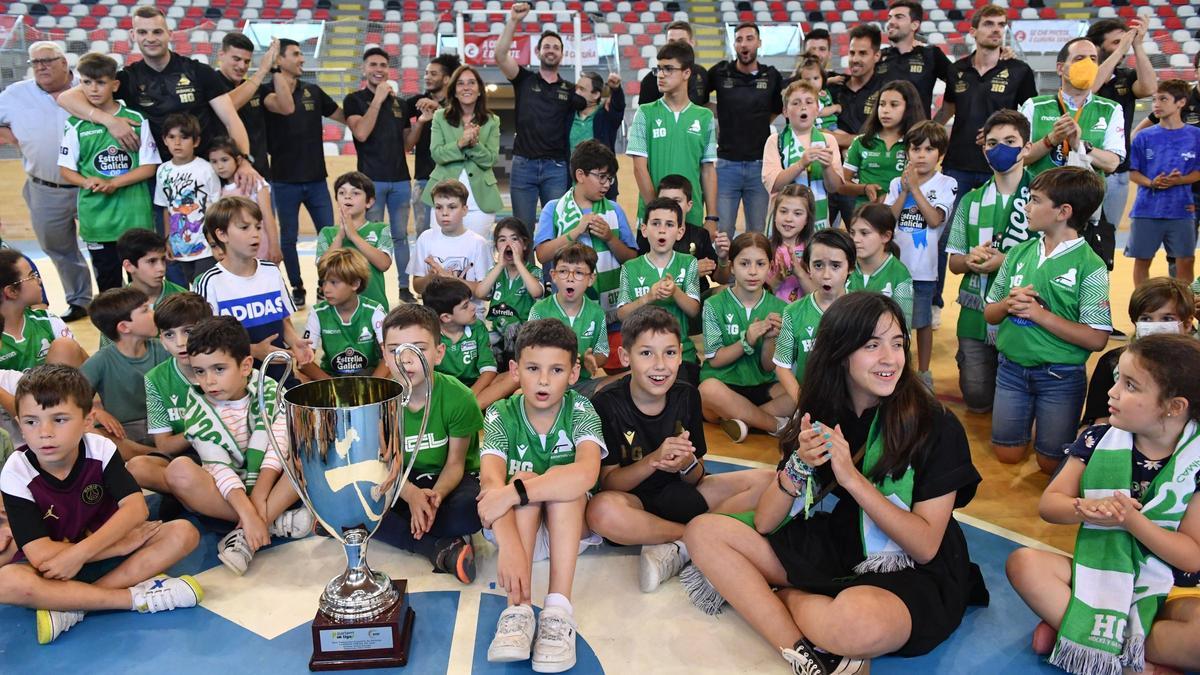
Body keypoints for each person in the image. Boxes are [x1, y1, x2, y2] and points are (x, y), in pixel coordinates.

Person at [683, 292, 983, 674]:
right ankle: (805, 654)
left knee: (855, 626)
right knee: (703, 532)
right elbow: (765, 523)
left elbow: (924, 546)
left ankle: (784, 596)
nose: (890, 359)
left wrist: (852, 479)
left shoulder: (934, 424)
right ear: (841, 352)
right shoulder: (820, 410)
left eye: (897, 344)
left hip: (911, 566)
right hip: (841, 539)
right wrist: (799, 464)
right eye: (872, 345)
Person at [1006, 334, 1200, 675]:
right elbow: (1050, 505)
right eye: (1116, 380)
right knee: (1024, 564)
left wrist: (1130, 520)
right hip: (1101, 569)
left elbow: (1190, 555)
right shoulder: (1096, 438)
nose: (1112, 393)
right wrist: (1083, 507)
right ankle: (1136, 661)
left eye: (1130, 385)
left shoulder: (1195, 461)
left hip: (1173, 585)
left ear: (1174, 406)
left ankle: (1079, 633)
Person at [0, 364, 202, 645]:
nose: (44, 432)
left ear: (86, 421)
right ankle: (131, 598)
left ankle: (73, 607)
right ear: (19, 423)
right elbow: (40, 555)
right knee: (6, 582)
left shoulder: (100, 448)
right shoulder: (16, 470)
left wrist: (83, 553)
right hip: (58, 567)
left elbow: (136, 508)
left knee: (183, 533)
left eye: (59, 420)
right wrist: (108, 548)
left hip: (97, 554)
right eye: (31, 422)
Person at [586, 307, 772, 593]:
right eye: (646, 353)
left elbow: (696, 478)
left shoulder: (686, 395)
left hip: (683, 495)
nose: (660, 365)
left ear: (680, 355)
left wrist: (685, 464)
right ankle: (693, 539)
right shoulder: (607, 403)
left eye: (670, 353)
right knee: (601, 512)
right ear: (626, 357)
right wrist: (653, 461)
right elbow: (609, 483)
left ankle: (678, 548)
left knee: (769, 483)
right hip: (634, 504)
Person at [477, 319, 606, 671]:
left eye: (557, 369)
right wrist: (512, 548)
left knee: (558, 484)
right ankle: (518, 607)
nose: (545, 380)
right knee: (522, 478)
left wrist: (517, 490)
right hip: (517, 534)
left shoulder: (581, 410)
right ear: (515, 370)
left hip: (568, 531)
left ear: (574, 372)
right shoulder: (501, 413)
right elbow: (490, 486)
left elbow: (586, 474)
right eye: (533, 369)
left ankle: (558, 610)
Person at [984, 167, 1111, 473]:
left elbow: (1096, 338)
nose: (1026, 207)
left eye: (1035, 200)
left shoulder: (1090, 265)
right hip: (1011, 370)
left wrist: (1039, 315)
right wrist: (1008, 304)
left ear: (1063, 212)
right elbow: (990, 312)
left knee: (1049, 463)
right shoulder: (1017, 253)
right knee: (1007, 455)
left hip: (1061, 377)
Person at [163, 316, 311, 576]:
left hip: (271, 482)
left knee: (309, 447)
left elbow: (278, 449)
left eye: (219, 369)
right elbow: (218, 468)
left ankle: (243, 534)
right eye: (200, 371)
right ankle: (272, 522)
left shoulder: (267, 387)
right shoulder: (197, 404)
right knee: (179, 470)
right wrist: (249, 512)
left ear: (245, 366)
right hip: (227, 494)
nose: (208, 381)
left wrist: (258, 498)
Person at [58, 6, 257, 189]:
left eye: (157, 31)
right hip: (158, 179)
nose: (150, 38)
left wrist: (245, 161)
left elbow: (231, 120)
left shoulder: (199, 72)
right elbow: (66, 98)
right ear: (133, 35)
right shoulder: (127, 78)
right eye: (143, 32)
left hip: (206, 173)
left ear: (169, 34)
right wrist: (110, 121)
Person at [936, 5, 1039, 329]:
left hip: (1003, 166)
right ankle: (939, 303)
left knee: (1009, 234)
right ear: (974, 31)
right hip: (958, 164)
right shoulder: (957, 70)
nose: (997, 30)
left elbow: (1028, 118)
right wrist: (930, 132)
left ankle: (1009, 298)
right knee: (948, 240)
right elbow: (948, 109)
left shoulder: (1019, 70)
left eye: (1002, 25)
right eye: (990, 24)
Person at [374, 304, 483, 583]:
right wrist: (410, 494)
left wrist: (434, 498)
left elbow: (456, 463)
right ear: (384, 355)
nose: (407, 359)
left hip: (449, 480)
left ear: (439, 353)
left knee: (470, 513)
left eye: (419, 349)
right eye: (395, 349)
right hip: (401, 480)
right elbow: (382, 465)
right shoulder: (378, 403)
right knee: (357, 501)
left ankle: (420, 529)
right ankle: (436, 547)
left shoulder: (460, 397)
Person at [946, 109, 1036, 414]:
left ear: (1026, 147)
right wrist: (970, 260)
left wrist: (1005, 262)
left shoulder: (1042, 196)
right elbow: (954, 262)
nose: (1000, 149)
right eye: (993, 143)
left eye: (1010, 141)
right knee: (977, 397)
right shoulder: (970, 200)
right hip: (975, 312)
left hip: (1025, 312)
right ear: (984, 150)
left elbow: (1053, 255)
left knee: (1014, 400)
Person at [0, 41, 92, 322]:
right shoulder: (15, 94)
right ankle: (80, 301)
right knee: (60, 249)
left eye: (48, 60)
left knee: (107, 245)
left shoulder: (87, 88)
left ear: (65, 62)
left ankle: (117, 297)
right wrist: (8, 135)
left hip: (91, 186)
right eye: (35, 62)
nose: (41, 67)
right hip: (44, 187)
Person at [57, 52, 160, 293]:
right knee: (109, 290)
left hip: (135, 220)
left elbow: (149, 166)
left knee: (144, 287)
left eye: (101, 82)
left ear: (115, 85)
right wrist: (86, 181)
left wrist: (114, 182)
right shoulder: (75, 125)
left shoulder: (136, 119)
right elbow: (65, 170)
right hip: (97, 223)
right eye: (87, 82)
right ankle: (112, 332)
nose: (93, 89)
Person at [1021, 37, 1125, 271]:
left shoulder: (1110, 110)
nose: (1087, 63)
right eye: (1079, 58)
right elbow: (1021, 158)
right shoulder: (1034, 106)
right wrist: (1051, 140)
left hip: (1086, 216)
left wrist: (1081, 145)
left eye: (1093, 59)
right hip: (1039, 214)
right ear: (1061, 68)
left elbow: (1112, 163)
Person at [262, 38, 347, 309]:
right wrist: (275, 72)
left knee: (329, 235)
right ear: (279, 60)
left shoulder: (313, 90)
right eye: (296, 54)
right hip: (284, 180)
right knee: (288, 237)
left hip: (316, 180)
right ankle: (297, 287)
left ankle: (326, 284)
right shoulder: (266, 92)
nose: (302, 59)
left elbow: (345, 117)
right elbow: (284, 105)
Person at [192, 196, 314, 375]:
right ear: (222, 235)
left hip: (280, 375)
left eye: (258, 227)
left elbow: (283, 319)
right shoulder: (210, 282)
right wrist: (254, 351)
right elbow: (207, 341)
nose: (255, 233)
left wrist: (295, 342)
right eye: (244, 227)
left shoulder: (271, 271)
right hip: (239, 383)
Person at [495, 2, 587, 230]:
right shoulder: (524, 79)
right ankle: (525, 267)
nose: (551, 50)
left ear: (562, 54)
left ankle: (553, 269)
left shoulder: (570, 88)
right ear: (537, 52)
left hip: (555, 169)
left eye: (556, 47)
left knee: (555, 229)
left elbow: (589, 105)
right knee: (522, 230)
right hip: (523, 165)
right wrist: (514, 20)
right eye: (546, 46)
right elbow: (500, 55)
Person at [699, 233, 791, 443]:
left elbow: (769, 367)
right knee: (707, 390)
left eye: (760, 264)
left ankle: (742, 420)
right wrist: (746, 341)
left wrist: (769, 339)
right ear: (731, 267)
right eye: (744, 263)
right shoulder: (715, 304)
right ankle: (776, 424)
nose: (752, 271)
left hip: (760, 385)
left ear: (770, 266)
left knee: (798, 394)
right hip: (724, 385)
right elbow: (715, 359)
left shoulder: (781, 308)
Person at [885, 121, 956, 390]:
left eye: (929, 149)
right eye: (916, 149)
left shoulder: (947, 183)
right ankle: (896, 369)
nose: (922, 155)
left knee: (922, 322)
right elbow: (887, 220)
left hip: (924, 268)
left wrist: (915, 188)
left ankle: (924, 372)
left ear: (941, 154)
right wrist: (904, 190)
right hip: (894, 267)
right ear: (907, 153)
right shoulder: (896, 183)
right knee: (895, 323)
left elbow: (935, 219)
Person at [535, 140, 638, 323]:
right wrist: (574, 232)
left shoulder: (614, 210)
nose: (607, 184)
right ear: (580, 175)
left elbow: (632, 260)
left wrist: (610, 238)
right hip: (567, 314)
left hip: (612, 311)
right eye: (601, 177)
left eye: (610, 178)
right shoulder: (554, 209)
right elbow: (542, 255)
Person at [345, 47, 416, 300]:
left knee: (400, 236)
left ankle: (404, 287)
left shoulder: (400, 104)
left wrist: (424, 122)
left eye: (383, 65)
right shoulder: (354, 100)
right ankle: (368, 287)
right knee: (370, 235)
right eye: (373, 64)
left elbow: (408, 145)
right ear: (364, 69)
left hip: (399, 180)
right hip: (369, 182)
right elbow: (361, 133)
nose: (379, 69)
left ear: (389, 70)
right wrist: (377, 100)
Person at [628, 42, 718, 235]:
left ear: (686, 73)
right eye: (658, 69)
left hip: (690, 218)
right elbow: (639, 168)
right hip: (651, 219)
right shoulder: (644, 113)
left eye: (668, 69)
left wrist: (711, 217)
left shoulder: (705, 117)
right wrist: (658, 214)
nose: (660, 75)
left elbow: (708, 170)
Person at [127, 292, 213, 494]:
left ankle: (198, 500)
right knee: (136, 467)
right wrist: (202, 427)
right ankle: (203, 497)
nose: (180, 342)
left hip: (236, 451)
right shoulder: (156, 378)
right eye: (169, 335)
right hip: (189, 458)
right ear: (162, 340)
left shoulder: (226, 364)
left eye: (189, 331)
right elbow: (164, 446)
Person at [1080, 277, 1195, 429]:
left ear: (1187, 324)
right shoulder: (1112, 362)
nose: (1155, 326)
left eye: (1167, 318)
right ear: (1135, 323)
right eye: (1146, 318)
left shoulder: (1195, 366)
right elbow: (1098, 422)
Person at [707, 22, 784, 237]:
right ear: (734, 45)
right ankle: (722, 271)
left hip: (760, 166)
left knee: (757, 232)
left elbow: (778, 108)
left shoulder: (772, 76)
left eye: (749, 38)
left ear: (759, 42)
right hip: (725, 166)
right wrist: (722, 112)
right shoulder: (721, 72)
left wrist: (755, 119)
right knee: (723, 232)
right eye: (739, 39)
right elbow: (699, 99)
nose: (744, 44)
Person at [616, 198, 702, 386]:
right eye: (656, 223)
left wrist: (676, 292)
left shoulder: (689, 263)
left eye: (669, 224)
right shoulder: (630, 267)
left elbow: (694, 310)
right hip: (642, 356)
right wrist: (649, 297)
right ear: (644, 229)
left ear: (680, 232)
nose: (662, 230)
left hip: (682, 356)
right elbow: (622, 314)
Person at [1126, 79, 1200, 286]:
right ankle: (1143, 311)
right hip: (1146, 209)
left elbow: (1198, 173)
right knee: (1142, 261)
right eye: (1154, 99)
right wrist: (1151, 182)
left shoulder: (1196, 136)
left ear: (1181, 103)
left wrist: (1180, 180)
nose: (1156, 104)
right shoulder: (1143, 137)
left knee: (1186, 260)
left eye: (1163, 99)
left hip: (1182, 209)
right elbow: (1133, 172)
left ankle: (1183, 314)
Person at [1089, 18, 1157, 238]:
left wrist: (1137, 45)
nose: (1122, 46)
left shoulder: (1125, 77)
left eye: (1124, 41)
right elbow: (1091, 88)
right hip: (1085, 168)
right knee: (1078, 233)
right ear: (1097, 46)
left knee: (1107, 237)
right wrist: (1120, 51)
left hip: (1117, 171)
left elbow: (1149, 87)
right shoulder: (1083, 74)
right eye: (1116, 42)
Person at [81, 288, 169, 459]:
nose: (154, 313)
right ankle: (160, 455)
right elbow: (69, 398)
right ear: (124, 327)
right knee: (92, 435)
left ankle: (156, 454)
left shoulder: (164, 348)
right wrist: (96, 411)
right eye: (145, 310)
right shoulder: (101, 361)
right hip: (124, 433)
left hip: (165, 428)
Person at [773, 228, 856, 405]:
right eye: (818, 265)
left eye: (835, 265)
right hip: (811, 401)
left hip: (853, 404)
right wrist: (802, 401)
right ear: (807, 268)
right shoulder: (792, 312)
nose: (826, 275)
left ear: (851, 267)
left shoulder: (862, 309)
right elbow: (782, 366)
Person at [424, 65, 502, 239]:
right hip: (443, 198)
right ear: (454, 91)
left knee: (475, 253)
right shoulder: (439, 116)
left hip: (479, 201)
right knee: (440, 251)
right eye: (460, 84)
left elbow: (490, 159)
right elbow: (437, 154)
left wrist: (474, 145)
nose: (466, 87)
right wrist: (461, 143)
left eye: (471, 83)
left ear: (480, 90)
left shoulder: (492, 121)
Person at [763, 80, 846, 240]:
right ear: (785, 111)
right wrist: (801, 164)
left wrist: (827, 167)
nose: (803, 107)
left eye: (809, 102)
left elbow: (834, 187)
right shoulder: (775, 141)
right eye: (796, 103)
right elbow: (774, 185)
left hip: (818, 224)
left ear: (817, 110)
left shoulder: (828, 140)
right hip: (783, 225)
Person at [529, 244, 610, 397]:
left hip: (582, 384)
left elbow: (603, 352)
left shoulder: (597, 312)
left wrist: (593, 361)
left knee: (616, 385)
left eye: (579, 273)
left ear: (591, 279)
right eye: (564, 271)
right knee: (520, 393)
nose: (570, 278)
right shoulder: (539, 311)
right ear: (553, 275)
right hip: (545, 383)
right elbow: (528, 352)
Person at [154, 113, 222, 285]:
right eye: (172, 137)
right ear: (164, 140)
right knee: (182, 296)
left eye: (184, 137)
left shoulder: (206, 169)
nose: (177, 143)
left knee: (205, 289)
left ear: (196, 141)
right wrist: (167, 239)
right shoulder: (162, 170)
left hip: (205, 246)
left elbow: (217, 206)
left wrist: (216, 241)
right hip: (178, 246)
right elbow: (165, 207)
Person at [300, 248, 386, 379]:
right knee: (299, 379)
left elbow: (392, 355)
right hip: (331, 377)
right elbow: (303, 362)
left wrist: (372, 387)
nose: (326, 289)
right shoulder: (317, 313)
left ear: (355, 284)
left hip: (369, 375)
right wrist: (332, 387)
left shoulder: (374, 311)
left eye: (334, 282)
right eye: (323, 282)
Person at [423, 276, 505, 410]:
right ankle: (466, 409)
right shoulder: (428, 335)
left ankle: (466, 407)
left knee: (513, 377)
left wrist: (469, 394)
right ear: (446, 317)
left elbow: (489, 370)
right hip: (443, 391)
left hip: (476, 388)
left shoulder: (478, 327)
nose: (473, 307)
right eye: (465, 306)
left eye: (470, 302)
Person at [315, 171, 393, 310]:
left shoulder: (381, 229)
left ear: (369, 202)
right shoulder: (327, 232)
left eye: (355, 193)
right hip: (336, 310)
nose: (348, 196)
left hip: (374, 308)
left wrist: (354, 236)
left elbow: (384, 264)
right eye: (342, 193)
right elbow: (322, 269)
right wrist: (340, 236)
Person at [476, 217, 544, 377]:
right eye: (502, 240)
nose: (508, 244)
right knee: (483, 340)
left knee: (514, 334)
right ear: (496, 246)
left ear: (525, 244)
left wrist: (519, 263)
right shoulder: (496, 272)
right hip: (496, 333)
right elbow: (480, 293)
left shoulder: (533, 272)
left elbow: (536, 292)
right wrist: (499, 265)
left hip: (524, 335)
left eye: (514, 239)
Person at [842, 80, 925, 210]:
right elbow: (842, 185)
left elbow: (927, 181)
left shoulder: (918, 144)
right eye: (882, 104)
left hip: (907, 215)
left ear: (909, 108)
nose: (885, 110)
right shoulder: (861, 142)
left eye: (894, 105)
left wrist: (893, 196)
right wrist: (864, 188)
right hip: (867, 216)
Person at [0, 250, 88, 373]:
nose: (39, 280)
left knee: (65, 347)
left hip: (55, 390)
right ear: (12, 292)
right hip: (16, 392)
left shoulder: (48, 321)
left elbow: (86, 368)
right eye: (31, 276)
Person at [406, 54, 462, 241]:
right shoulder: (418, 103)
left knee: (455, 235)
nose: (427, 77)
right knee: (424, 235)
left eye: (433, 73)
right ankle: (425, 271)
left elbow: (462, 133)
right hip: (424, 179)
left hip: (454, 178)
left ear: (447, 79)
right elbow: (407, 143)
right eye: (426, 73)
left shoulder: (460, 105)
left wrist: (438, 109)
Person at [408, 180, 494, 301]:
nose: (444, 213)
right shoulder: (425, 238)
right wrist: (431, 278)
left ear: (465, 210)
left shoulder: (478, 243)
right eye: (438, 207)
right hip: (434, 317)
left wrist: (450, 280)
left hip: (469, 317)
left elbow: (487, 294)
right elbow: (417, 287)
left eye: (452, 207)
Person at [213, 32, 280, 179]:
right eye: (236, 59)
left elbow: (286, 107)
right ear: (221, 55)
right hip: (226, 177)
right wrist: (262, 70)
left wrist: (275, 66)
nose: (242, 66)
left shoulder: (255, 87)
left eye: (247, 61)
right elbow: (229, 105)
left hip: (259, 173)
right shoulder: (211, 85)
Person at [207, 136, 281, 264]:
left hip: (260, 248)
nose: (219, 166)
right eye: (214, 161)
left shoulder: (255, 183)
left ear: (238, 159)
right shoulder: (218, 190)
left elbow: (268, 217)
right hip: (235, 256)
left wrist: (274, 246)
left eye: (224, 160)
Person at [877, 0, 954, 117]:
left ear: (914, 25)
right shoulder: (879, 56)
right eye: (889, 18)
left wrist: (937, 124)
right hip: (882, 133)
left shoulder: (931, 54)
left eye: (899, 17)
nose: (891, 22)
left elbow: (959, 86)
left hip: (918, 134)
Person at [848, 203, 915, 327]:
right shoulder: (844, 267)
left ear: (886, 236)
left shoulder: (900, 275)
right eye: (852, 233)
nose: (855, 239)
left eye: (864, 233)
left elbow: (903, 329)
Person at [571, 71, 626, 200]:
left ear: (595, 94)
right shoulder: (569, 116)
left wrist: (616, 90)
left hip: (602, 189)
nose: (576, 92)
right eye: (576, 88)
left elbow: (617, 107)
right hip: (573, 188)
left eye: (582, 89)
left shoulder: (605, 115)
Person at [764, 185, 817, 304]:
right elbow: (759, 296)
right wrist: (777, 280)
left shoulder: (815, 250)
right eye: (783, 211)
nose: (788, 218)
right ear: (775, 215)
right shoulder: (764, 248)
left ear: (807, 220)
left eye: (797, 214)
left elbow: (818, 297)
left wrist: (799, 273)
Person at [637, 21, 710, 107]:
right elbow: (645, 116)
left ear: (692, 43)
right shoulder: (650, 80)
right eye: (671, 41)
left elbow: (704, 105)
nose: (676, 46)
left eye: (682, 41)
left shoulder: (702, 73)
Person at [117, 229, 187, 309]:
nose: (161, 268)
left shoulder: (184, 299)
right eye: (152, 261)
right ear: (129, 266)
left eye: (163, 259)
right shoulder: (117, 305)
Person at [792, 55, 840, 132]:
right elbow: (819, 112)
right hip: (820, 127)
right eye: (807, 80)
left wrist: (832, 80)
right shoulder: (807, 97)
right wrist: (836, 108)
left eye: (816, 78)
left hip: (831, 125)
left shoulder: (823, 91)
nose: (812, 82)